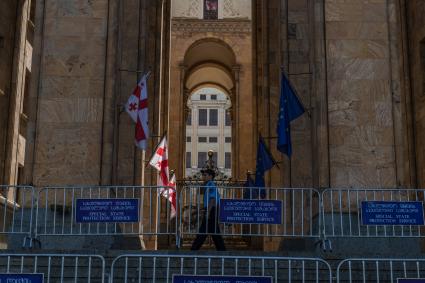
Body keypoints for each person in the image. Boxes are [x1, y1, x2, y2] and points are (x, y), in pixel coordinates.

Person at [191, 168, 226, 251]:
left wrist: (208, 212)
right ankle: (222, 250)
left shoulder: (210, 184)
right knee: (213, 231)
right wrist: (204, 209)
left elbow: (212, 199)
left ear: (210, 176)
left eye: (205, 175)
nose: (203, 176)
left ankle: (194, 249)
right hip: (211, 209)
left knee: (204, 231)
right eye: (203, 175)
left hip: (212, 210)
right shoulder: (208, 185)